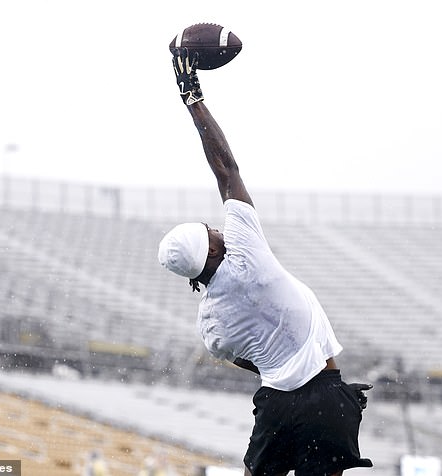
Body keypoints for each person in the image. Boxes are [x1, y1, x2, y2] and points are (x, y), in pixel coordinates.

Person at [158, 48, 373, 476]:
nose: (217, 228)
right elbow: (226, 167)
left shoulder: (210, 325)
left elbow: (249, 360)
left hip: (276, 407)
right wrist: (192, 95)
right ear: (213, 251)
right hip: (325, 396)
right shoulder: (246, 252)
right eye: (210, 231)